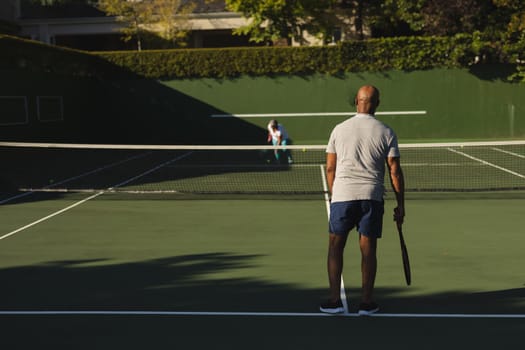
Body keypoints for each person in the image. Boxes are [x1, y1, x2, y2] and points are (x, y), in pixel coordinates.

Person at [320, 85, 405, 315]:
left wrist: (335, 193)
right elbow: (394, 172)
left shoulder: (339, 129)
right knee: (368, 251)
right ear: (377, 103)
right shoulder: (386, 132)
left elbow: (330, 168)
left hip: (342, 198)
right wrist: (401, 206)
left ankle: (334, 300)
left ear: (356, 102)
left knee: (335, 248)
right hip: (372, 198)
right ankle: (367, 303)